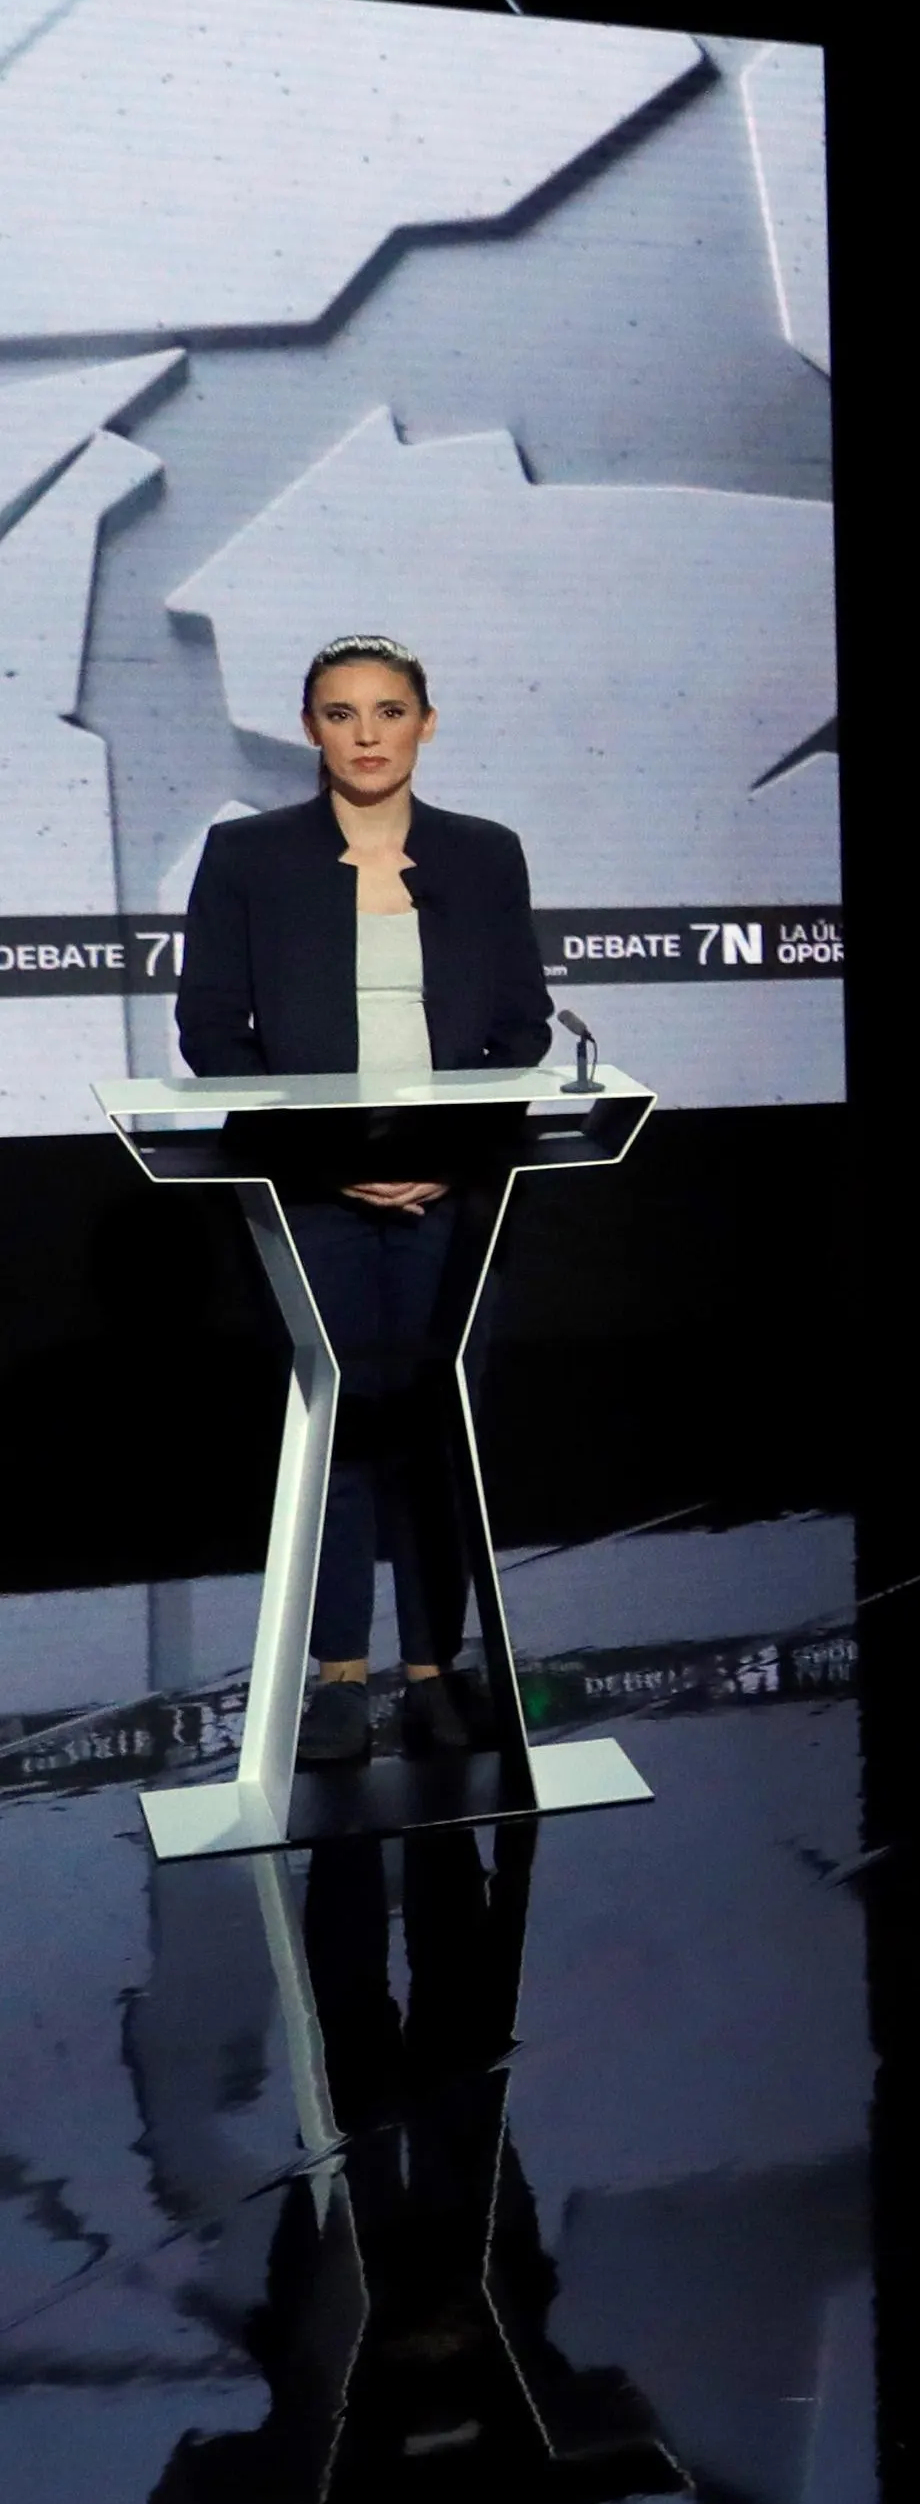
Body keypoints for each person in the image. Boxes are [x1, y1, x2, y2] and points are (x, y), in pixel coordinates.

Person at [176, 635, 554, 1771]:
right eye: (341, 713)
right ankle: (339, 1676)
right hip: (312, 1193)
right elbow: (212, 1034)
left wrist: (450, 1154)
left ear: (426, 724)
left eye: (390, 710)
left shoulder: (485, 857)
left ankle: (436, 1668)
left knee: (441, 1430)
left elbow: (522, 1029)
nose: (368, 733)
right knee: (336, 1425)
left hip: (452, 1195)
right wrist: (332, 1160)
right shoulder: (248, 856)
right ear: (311, 730)